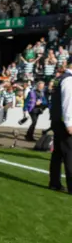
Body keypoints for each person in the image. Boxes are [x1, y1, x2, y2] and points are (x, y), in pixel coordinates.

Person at [48, 64, 72, 194]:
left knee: (57, 154)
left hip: (57, 120)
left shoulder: (61, 78)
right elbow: (68, 103)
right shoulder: (69, 80)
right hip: (64, 122)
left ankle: (54, 182)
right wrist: (69, 123)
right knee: (69, 154)